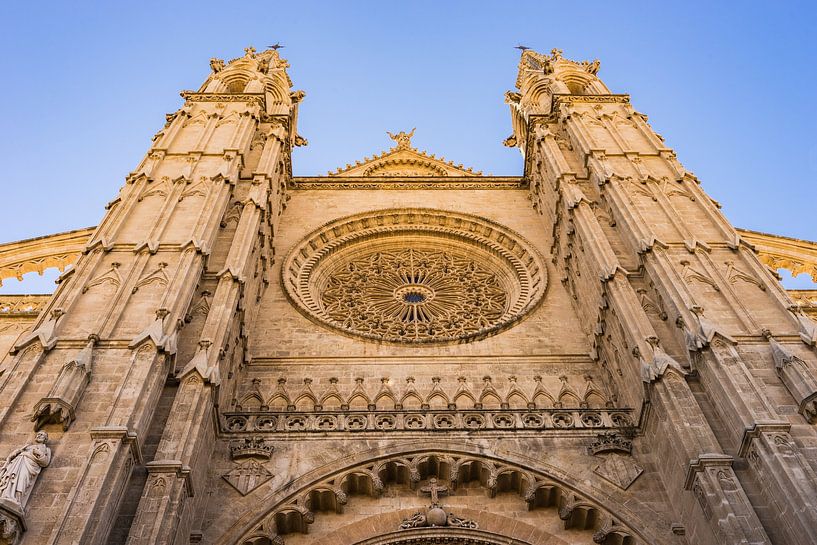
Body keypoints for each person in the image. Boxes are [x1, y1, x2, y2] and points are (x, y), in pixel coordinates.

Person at [0, 431, 51, 509]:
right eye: (38, 434)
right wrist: (17, 452)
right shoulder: (28, 446)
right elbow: (12, 456)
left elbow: (45, 462)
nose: (39, 435)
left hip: (29, 467)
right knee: (12, 479)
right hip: (18, 463)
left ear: (45, 439)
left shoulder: (46, 449)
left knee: (22, 481)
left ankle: (17, 500)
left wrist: (39, 454)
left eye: (42, 435)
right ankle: (6, 495)